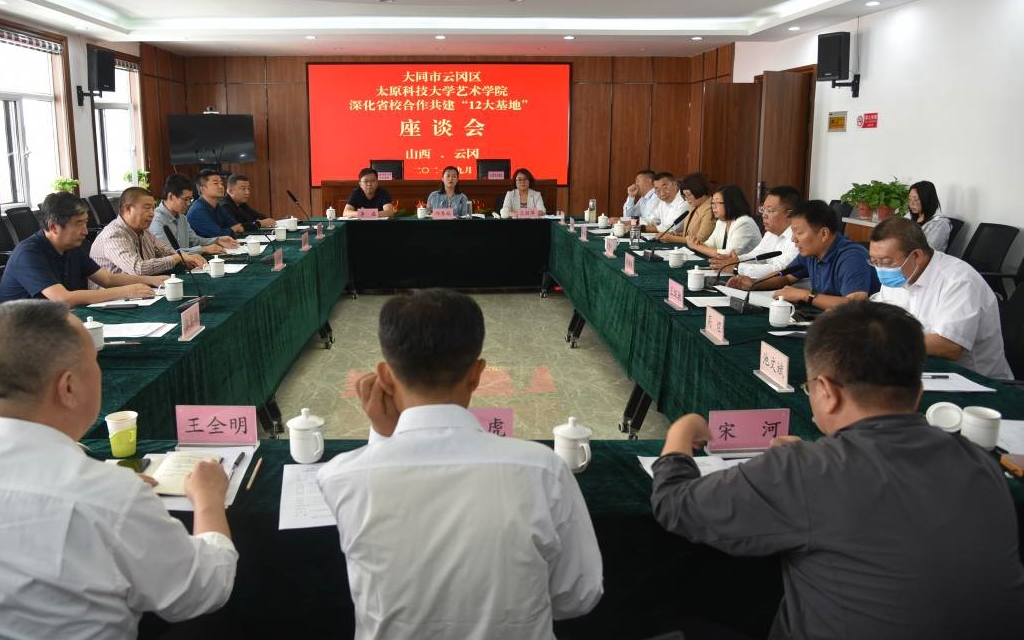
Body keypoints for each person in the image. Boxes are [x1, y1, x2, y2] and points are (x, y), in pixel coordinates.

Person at [650, 301, 1024, 640]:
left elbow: (674, 504)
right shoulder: (979, 462)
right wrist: (809, 458)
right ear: (919, 391)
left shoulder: (804, 471)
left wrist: (682, 430)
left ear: (827, 392)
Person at [0, 300, 238, 637]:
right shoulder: (112, 497)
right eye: (94, 363)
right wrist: (208, 500)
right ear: (69, 387)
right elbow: (203, 589)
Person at [318, 289, 603, 639]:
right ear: (477, 373)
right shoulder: (544, 470)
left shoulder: (339, 476)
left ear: (385, 376)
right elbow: (578, 597)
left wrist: (383, 437)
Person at [869, 217, 1012, 379]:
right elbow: (880, 317)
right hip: (920, 367)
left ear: (916, 256)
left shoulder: (959, 281)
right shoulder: (897, 276)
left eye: (886, 262)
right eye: (874, 262)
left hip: (976, 381)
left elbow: (949, 346)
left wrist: (883, 341)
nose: (881, 269)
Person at [0, 193, 163, 306]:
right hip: (19, 333)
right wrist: (125, 291)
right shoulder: (28, 253)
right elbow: (62, 298)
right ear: (53, 227)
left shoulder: (71, 247)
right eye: (78, 224)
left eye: (85, 223)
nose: (85, 231)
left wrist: (152, 280)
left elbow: (107, 279)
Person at [730, 200, 879, 309]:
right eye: (793, 232)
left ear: (824, 234)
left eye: (799, 232)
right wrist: (754, 283)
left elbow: (854, 304)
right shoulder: (811, 253)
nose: (793, 239)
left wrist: (805, 295)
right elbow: (786, 277)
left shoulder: (852, 257)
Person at [91, 187, 205, 276]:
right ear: (128, 209)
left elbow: (165, 251)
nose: (152, 213)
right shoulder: (114, 235)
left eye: (153, 208)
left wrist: (187, 257)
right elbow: (138, 268)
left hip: (139, 291)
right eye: (147, 208)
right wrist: (178, 258)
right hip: (112, 297)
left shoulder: (144, 231)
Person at [719, 186, 801, 282]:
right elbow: (758, 255)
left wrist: (737, 268)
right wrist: (737, 260)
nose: (763, 215)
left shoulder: (798, 238)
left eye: (769, 211)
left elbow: (779, 270)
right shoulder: (771, 233)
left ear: (790, 214)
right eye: (763, 209)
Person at [150, 174, 237, 256]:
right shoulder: (156, 220)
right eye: (185, 199)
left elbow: (194, 241)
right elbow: (169, 253)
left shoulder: (182, 217)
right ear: (171, 196)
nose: (188, 204)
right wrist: (203, 249)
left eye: (190, 199)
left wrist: (217, 240)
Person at [687, 184, 762, 258]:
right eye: (712, 203)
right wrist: (696, 243)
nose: (713, 206)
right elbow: (710, 244)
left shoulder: (744, 223)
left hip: (748, 265)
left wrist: (697, 247)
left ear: (731, 203)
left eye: (717, 202)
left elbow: (729, 254)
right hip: (728, 264)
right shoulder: (721, 222)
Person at [658, 172, 713, 246]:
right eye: (685, 196)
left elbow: (700, 239)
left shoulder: (710, 208)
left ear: (699, 190)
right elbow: (688, 234)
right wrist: (673, 234)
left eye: (689, 195)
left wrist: (673, 238)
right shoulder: (694, 205)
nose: (687, 199)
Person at [187, 169, 245, 237]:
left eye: (221, 183)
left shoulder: (217, 206)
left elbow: (237, 226)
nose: (221, 186)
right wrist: (232, 230)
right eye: (215, 183)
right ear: (202, 189)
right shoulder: (197, 210)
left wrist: (231, 230)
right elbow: (218, 235)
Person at [907, 180, 951, 252]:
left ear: (927, 199)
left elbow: (929, 251)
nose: (911, 203)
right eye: (909, 199)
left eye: (916, 199)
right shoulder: (909, 215)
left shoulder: (940, 223)